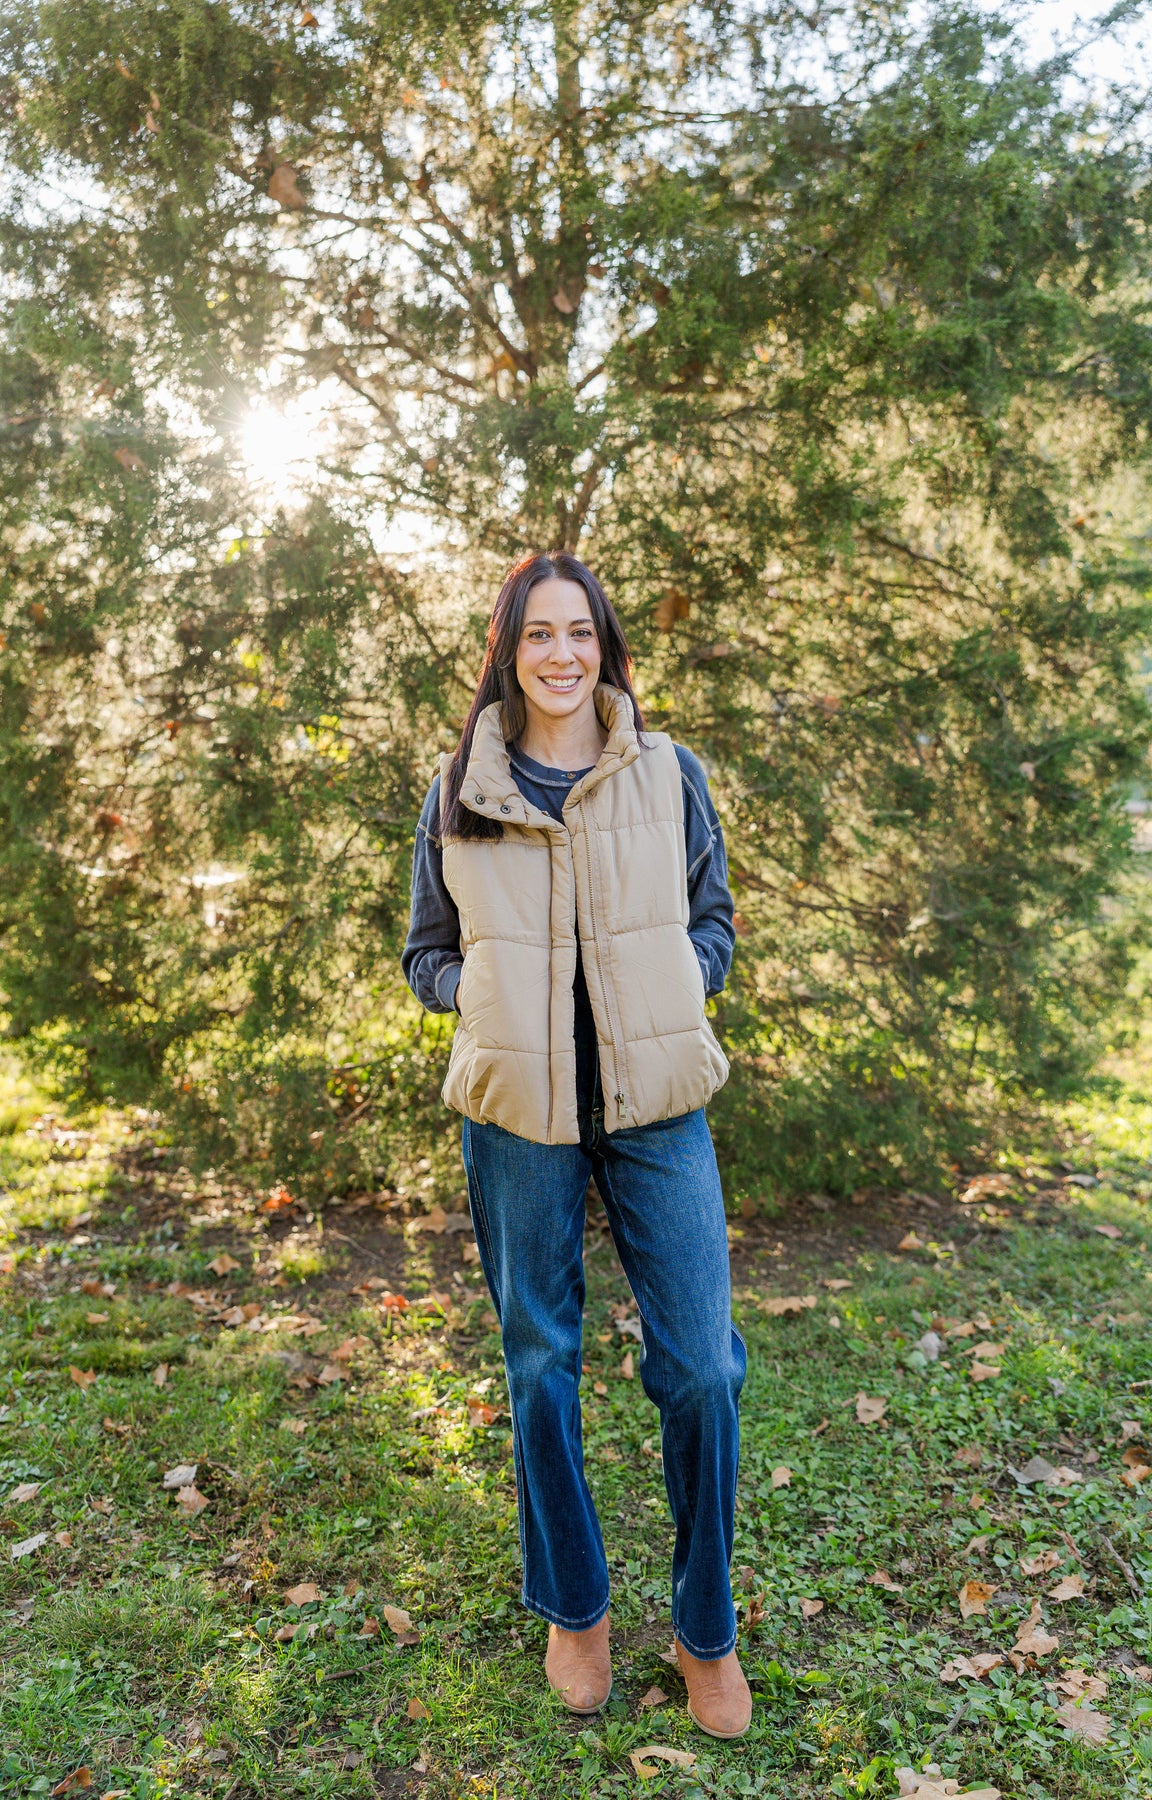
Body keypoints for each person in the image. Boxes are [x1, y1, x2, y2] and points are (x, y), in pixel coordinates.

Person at [402, 551, 751, 1738]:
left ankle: (706, 1632)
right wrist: (484, 1000)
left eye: (581, 634)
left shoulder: (668, 774)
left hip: (658, 1106)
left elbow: (714, 919)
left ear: (606, 647)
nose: (561, 655)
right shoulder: (461, 786)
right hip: (519, 1117)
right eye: (538, 635)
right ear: (508, 650)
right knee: (541, 1362)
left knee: (703, 1366)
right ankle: (576, 1610)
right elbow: (425, 953)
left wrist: (677, 982)